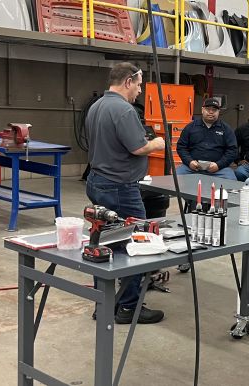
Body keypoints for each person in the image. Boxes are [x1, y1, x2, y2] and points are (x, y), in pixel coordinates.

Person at [85, 62, 165, 324]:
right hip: (120, 187)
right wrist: (157, 143)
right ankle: (129, 307)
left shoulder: (96, 106)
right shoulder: (124, 110)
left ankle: (104, 304)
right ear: (128, 81)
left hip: (98, 181)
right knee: (135, 243)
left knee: (103, 243)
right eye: (139, 85)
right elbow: (137, 148)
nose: (140, 91)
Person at [175, 98, 238, 179]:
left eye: (214, 110)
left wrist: (219, 165)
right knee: (175, 178)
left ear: (218, 112)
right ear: (202, 110)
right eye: (208, 109)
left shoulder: (226, 129)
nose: (211, 112)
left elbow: (232, 150)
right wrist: (189, 162)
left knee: (231, 180)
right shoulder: (190, 127)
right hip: (191, 168)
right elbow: (181, 147)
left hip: (218, 170)